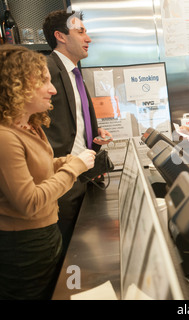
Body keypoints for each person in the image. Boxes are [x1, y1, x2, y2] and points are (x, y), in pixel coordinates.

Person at [0, 45, 96, 299]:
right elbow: (29, 202)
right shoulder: (5, 138)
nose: (52, 89)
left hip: (46, 234)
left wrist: (65, 162)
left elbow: (39, 169)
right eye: (43, 81)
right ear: (15, 85)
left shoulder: (30, 125)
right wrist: (73, 169)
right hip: (24, 246)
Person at [42, 10, 113, 256]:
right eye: (80, 31)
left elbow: (71, 119)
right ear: (60, 36)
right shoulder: (46, 70)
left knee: (83, 248)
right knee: (68, 253)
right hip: (61, 180)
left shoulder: (75, 71)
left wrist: (93, 132)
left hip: (85, 175)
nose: (88, 38)